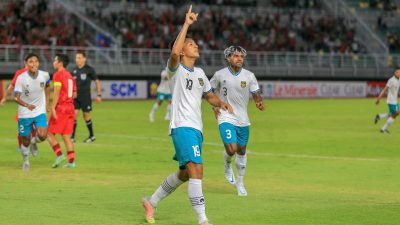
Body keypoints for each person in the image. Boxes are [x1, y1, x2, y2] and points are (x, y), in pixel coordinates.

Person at [142, 5, 232, 225]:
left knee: (184, 174)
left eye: (194, 43)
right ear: (183, 51)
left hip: (196, 128)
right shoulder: (176, 69)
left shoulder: (200, 73)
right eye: (190, 44)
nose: (195, 45)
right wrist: (186, 24)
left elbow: (209, 96)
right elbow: (174, 52)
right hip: (182, 126)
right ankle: (203, 220)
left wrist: (222, 103)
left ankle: (151, 202)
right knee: (196, 169)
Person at [210, 46, 265, 196]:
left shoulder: (249, 75)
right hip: (225, 115)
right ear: (228, 58)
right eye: (236, 56)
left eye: (241, 56)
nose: (239, 58)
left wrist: (258, 101)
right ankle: (227, 166)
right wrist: (215, 107)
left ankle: (240, 183)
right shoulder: (219, 74)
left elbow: (256, 92)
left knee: (241, 150)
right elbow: (210, 91)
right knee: (231, 149)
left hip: (243, 118)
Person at [13, 53, 50, 171]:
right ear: (26, 64)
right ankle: (26, 161)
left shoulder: (45, 75)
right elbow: (16, 97)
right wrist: (27, 105)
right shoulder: (21, 78)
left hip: (39, 110)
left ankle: (35, 142)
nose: (34, 64)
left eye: (36, 61)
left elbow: (48, 85)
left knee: (43, 135)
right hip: (25, 113)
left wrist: (47, 102)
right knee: (25, 140)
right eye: (31, 61)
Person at [47, 54, 77, 168]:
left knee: (48, 132)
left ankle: (59, 155)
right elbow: (74, 94)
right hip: (70, 108)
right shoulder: (70, 76)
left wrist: (53, 107)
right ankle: (71, 162)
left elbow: (56, 92)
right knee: (66, 136)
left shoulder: (58, 74)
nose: (53, 62)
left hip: (61, 108)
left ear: (60, 63)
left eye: (55, 60)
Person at [71, 51, 101, 143]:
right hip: (75, 97)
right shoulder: (74, 70)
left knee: (86, 115)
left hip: (85, 97)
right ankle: (72, 137)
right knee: (74, 115)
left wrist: (99, 95)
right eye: (76, 58)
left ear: (84, 59)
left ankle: (92, 136)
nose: (77, 60)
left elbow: (97, 81)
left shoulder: (89, 69)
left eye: (79, 57)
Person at [375, 67, 400, 133]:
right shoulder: (391, 80)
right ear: (394, 73)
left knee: (393, 114)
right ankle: (383, 129)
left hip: (395, 101)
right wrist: (379, 98)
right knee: (396, 114)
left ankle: (379, 116)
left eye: (399, 72)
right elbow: (385, 89)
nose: (398, 73)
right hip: (391, 101)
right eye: (397, 72)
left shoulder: (399, 79)